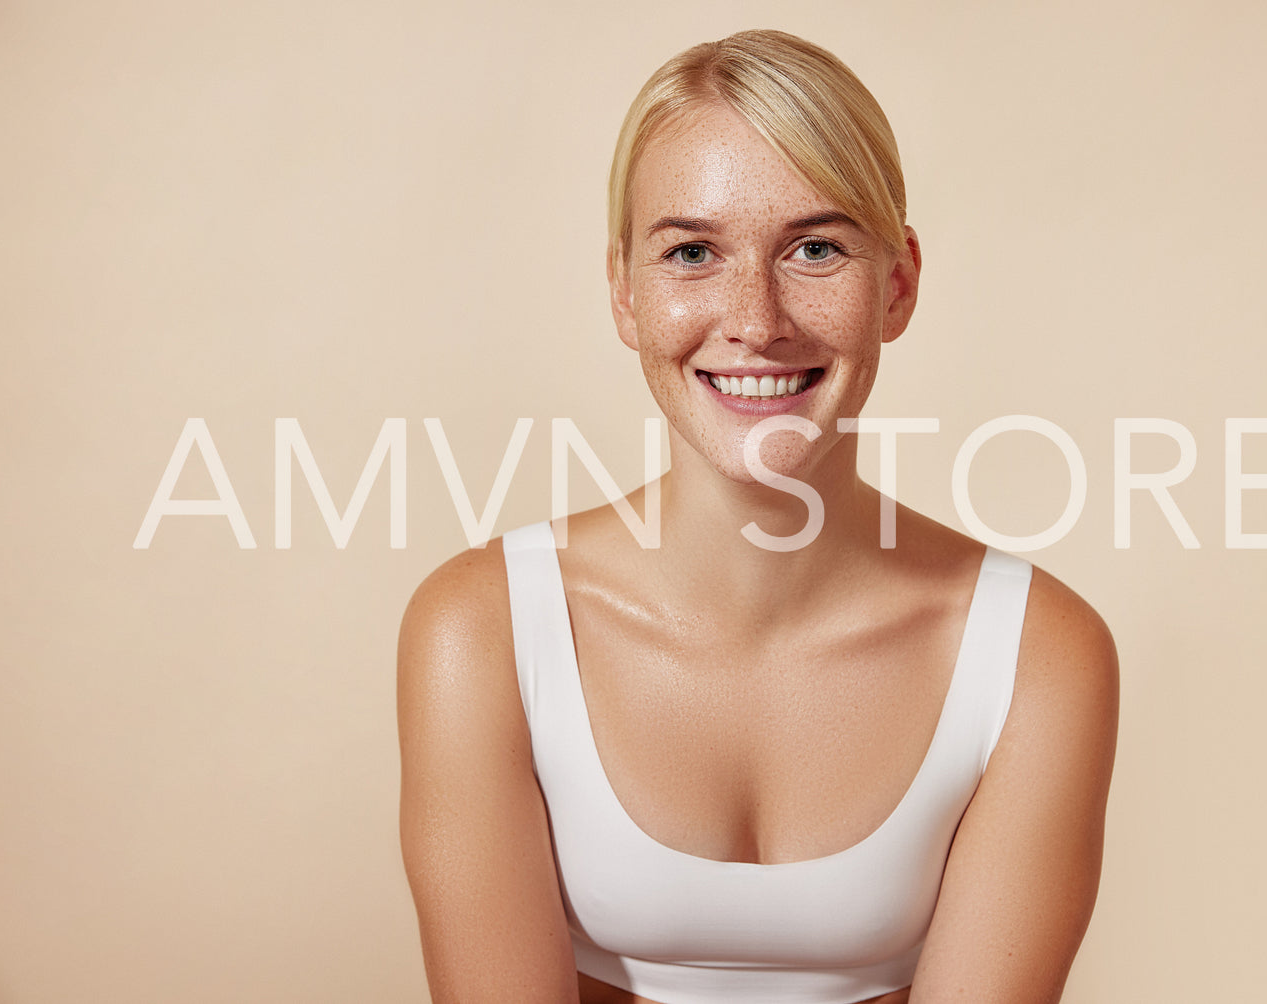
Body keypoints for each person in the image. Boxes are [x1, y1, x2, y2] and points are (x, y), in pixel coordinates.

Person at [397, 29, 1118, 1004]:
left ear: (896, 284)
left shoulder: (1036, 652)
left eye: (814, 247)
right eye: (691, 251)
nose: (756, 318)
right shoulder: (480, 630)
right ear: (624, 290)